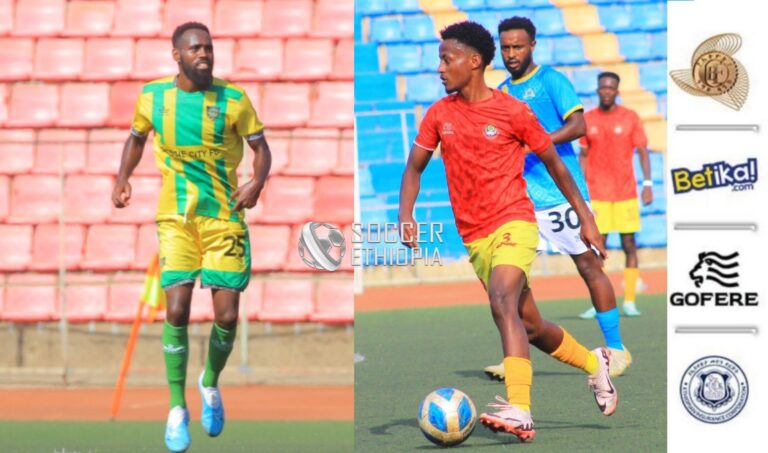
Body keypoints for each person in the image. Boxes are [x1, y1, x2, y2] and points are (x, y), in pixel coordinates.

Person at [399, 21, 618, 442]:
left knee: (502, 300)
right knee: (529, 326)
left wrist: (586, 218)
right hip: (474, 235)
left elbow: (555, 164)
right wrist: (405, 213)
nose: (439, 68)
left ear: (474, 62)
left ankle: (520, 408)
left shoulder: (514, 111)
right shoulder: (439, 114)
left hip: (515, 220)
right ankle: (596, 365)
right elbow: (414, 167)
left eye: (446, 59)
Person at [111, 22, 272, 453]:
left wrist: (256, 182)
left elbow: (261, 149)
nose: (204, 54)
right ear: (177, 55)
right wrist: (122, 178)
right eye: (195, 48)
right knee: (177, 309)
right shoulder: (153, 97)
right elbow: (135, 138)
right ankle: (176, 407)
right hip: (176, 219)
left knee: (227, 316)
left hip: (224, 218)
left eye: (209, 48)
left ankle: (210, 383)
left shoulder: (234, 99)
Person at [484, 16, 630, 381]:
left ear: (532, 46)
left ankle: (615, 348)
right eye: (505, 47)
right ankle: (515, 357)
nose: (511, 54)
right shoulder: (500, 93)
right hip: (521, 201)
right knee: (511, 280)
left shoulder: (551, 81)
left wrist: (539, 141)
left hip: (560, 196)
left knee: (588, 267)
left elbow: (579, 126)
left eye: (518, 47)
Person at [578, 72, 652, 318]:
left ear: (617, 91)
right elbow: (584, 155)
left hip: (625, 193)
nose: (607, 91)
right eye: (603, 88)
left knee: (629, 245)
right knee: (598, 248)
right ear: (598, 90)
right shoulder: (588, 119)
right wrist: (581, 189)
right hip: (597, 193)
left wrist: (647, 184)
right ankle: (599, 302)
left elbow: (643, 151)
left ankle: (629, 300)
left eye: (611, 88)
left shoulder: (630, 117)